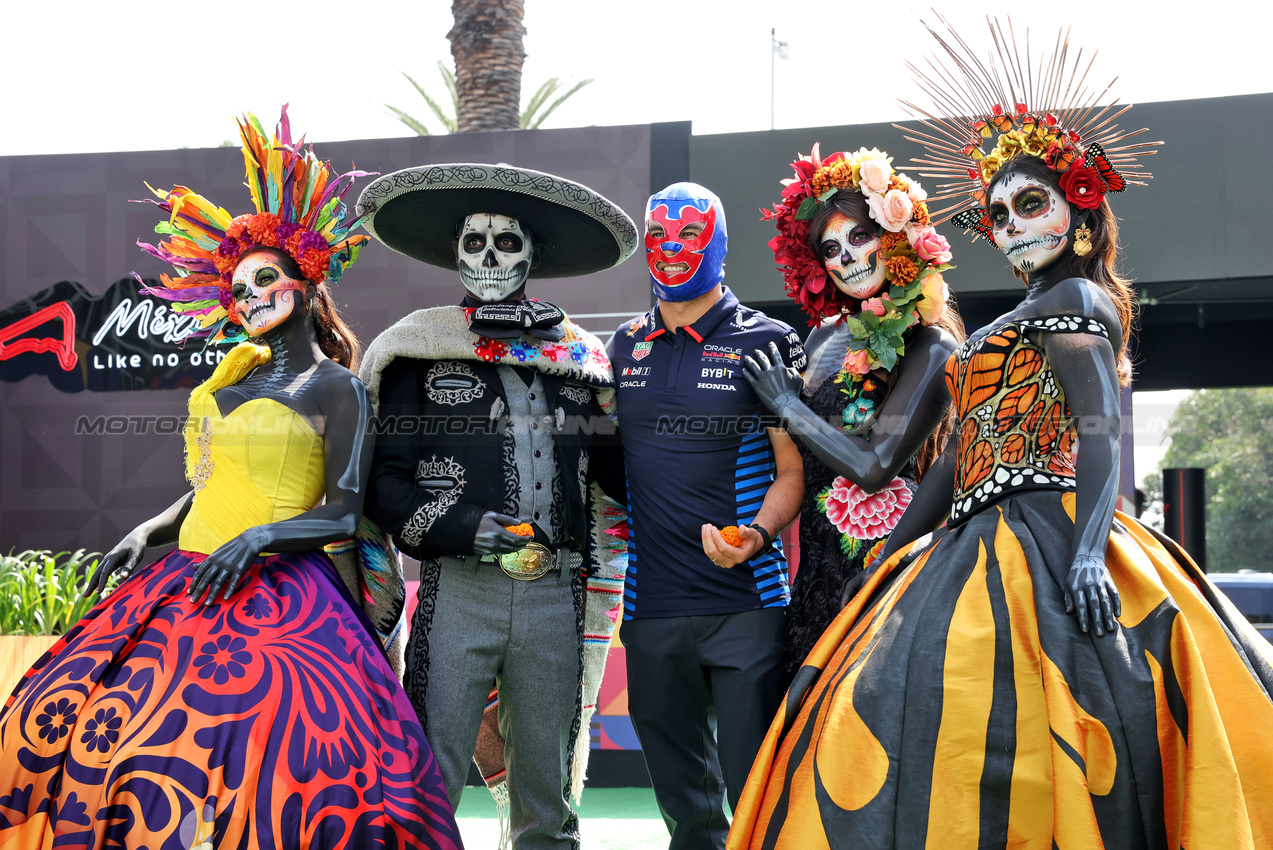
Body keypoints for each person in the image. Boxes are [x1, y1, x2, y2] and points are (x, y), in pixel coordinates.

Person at [729, 21, 1273, 849]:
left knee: (1059, 724)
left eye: (1030, 204)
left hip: (1049, 533)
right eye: (997, 214)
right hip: (967, 537)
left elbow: (1098, 428)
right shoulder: (1011, 318)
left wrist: (1088, 550)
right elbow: (955, 457)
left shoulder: (1079, 302)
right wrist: (888, 555)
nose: (1014, 226)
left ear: (1076, 210)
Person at [0, 111, 462, 849]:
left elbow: (342, 514)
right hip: (186, 579)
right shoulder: (232, 383)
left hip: (283, 597)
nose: (249, 297)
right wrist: (150, 528)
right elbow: (213, 481)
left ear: (306, 281)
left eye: (266, 279)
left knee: (274, 763)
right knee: (73, 722)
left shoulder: (334, 388)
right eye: (239, 288)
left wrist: (260, 540)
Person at [355, 162, 635, 849]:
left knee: (547, 789)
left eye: (505, 242)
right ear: (454, 253)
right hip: (458, 593)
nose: (486, 257)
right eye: (472, 242)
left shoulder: (582, 357)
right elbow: (383, 486)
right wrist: (465, 527)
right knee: (431, 773)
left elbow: (615, 479)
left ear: (533, 253)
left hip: (557, 593)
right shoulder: (415, 349)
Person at [609, 182, 805, 850]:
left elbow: (792, 472)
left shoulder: (767, 339)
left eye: (688, 234)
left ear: (717, 242)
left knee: (758, 792)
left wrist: (754, 534)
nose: (670, 249)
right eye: (657, 236)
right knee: (685, 811)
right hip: (650, 609)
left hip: (746, 607)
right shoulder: (621, 345)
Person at [743, 146, 963, 682]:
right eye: (830, 249)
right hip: (813, 569)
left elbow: (873, 466)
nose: (846, 258)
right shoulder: (821, 337)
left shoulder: (930, 344)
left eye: (859, 236)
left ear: (893, 237)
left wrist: (787, 403)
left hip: (882, 571)